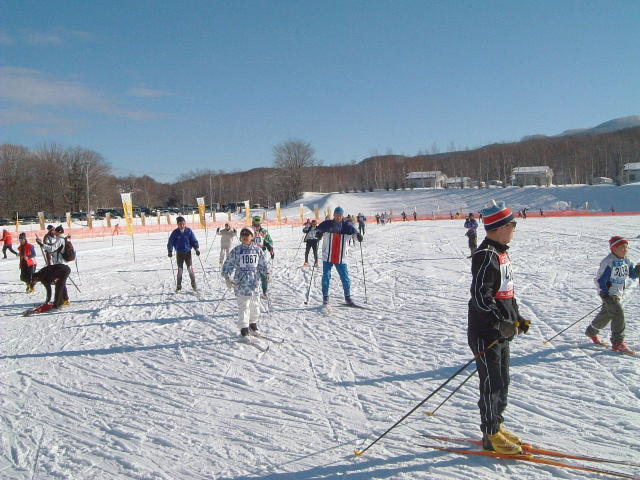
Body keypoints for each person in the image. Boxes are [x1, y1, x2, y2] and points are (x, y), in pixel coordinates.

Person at [468, 200, 530, 455]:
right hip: (486, 332)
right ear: (500, 227)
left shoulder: (501, 252)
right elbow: (480, 296)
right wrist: (498, 322)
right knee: (491, 383)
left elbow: (506, 293)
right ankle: (490, 433)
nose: (514, 229)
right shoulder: (486, 254)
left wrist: (516, 318)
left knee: (502, 381)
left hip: (501, 330)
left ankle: (498, 425)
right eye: (512, 224)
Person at [585, 236, 639, 354]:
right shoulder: (609, 262)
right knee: (618, 313)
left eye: (626, 247)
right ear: (614, 249)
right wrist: (605, 294)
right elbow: (599, 280)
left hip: (617, 293)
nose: (625, 250)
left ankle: (591, 332)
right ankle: (618, 343)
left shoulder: (626, 261)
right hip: (608, 293)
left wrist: (638, 270)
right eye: (622, 248)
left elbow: (632, 274)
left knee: (607, 314)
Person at [222, 228, 271, 337]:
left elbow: (263, 264)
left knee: (255, 305)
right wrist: (227, 277)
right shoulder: (237, 250)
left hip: (254, 284)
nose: (245, 236)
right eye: (243, 235)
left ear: (252, 237)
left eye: (247, 234)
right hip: (241, 285)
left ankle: (253, 324)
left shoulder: (257, 250)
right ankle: (244, 328)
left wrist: (267, 273)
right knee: (244, 306)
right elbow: (228, 264)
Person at [316, 206, 363, 307]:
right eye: (336, 215)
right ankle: (325, 298)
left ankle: (348, 298)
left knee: (345, 278)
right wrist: (318, 234)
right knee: (326, 276)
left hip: (341, 257)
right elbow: (317, 230)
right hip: (327, 255)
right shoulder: (327, 224)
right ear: (334, 215)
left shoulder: (347, 226)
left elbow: (355, 234)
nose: (338, 217)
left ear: (342, 216)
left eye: (340, 215)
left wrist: (359, 237)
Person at [167, 216, 200, 291]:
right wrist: (170, 251)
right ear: (177, 224)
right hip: (179, 253)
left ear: (185, 223)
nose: (182, 225)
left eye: (183, 224)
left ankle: (193, 284)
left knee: (190, 269)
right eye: (180, 224)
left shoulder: (189, 231)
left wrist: (196, 249)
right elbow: (170, 242)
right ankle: (179, 286)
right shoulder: (175, 232)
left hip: (188, 253)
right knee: (180, 270)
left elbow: (193, 241)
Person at [251, 216, 274, 298]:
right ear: (253, 223)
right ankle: (252, 292)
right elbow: (243, 239)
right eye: (255, 224)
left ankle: (264, 292)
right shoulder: (250, 230)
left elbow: (269, 241)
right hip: (251, 254)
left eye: (258, 224)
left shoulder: (264, 231)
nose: (257, 226)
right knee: (252, 273)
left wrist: (270, 249)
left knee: (264, 273)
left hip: (262, 254)